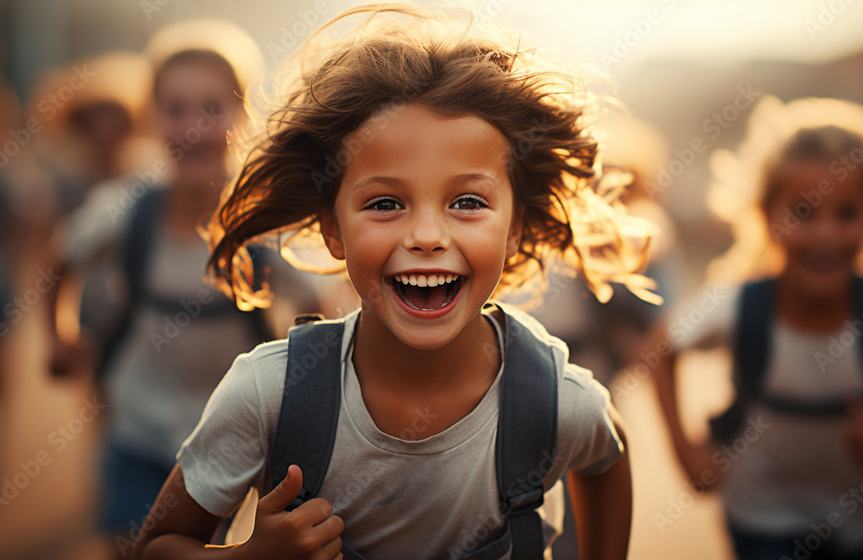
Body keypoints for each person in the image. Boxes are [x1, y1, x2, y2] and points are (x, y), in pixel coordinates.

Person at [132, 5, 657, 560]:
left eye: (467, 202)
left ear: (514, 229)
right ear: (333, 229)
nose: (427, 235)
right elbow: (154, 547)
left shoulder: (556, 402)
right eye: (385, 203)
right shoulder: (267, 395)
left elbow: (607, 456)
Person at [46, 24, 317, 556]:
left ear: (244, 118)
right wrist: (60, 333)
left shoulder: (264, 226)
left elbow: (314, 304)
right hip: (136, 431)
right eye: (175, 109)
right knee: (129, 546)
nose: (193, 128)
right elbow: (61, 260)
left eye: (212, 108)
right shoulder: (124, 208)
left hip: (231, 446)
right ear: (150, 118)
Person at [649, 96, 863, 560]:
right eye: (803, 212)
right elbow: (659, 348)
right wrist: (686, 452)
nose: (824, 235)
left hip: (853, 519)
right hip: (760, 517)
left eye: (847, 213)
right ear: (765, 215)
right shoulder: (737, 304)